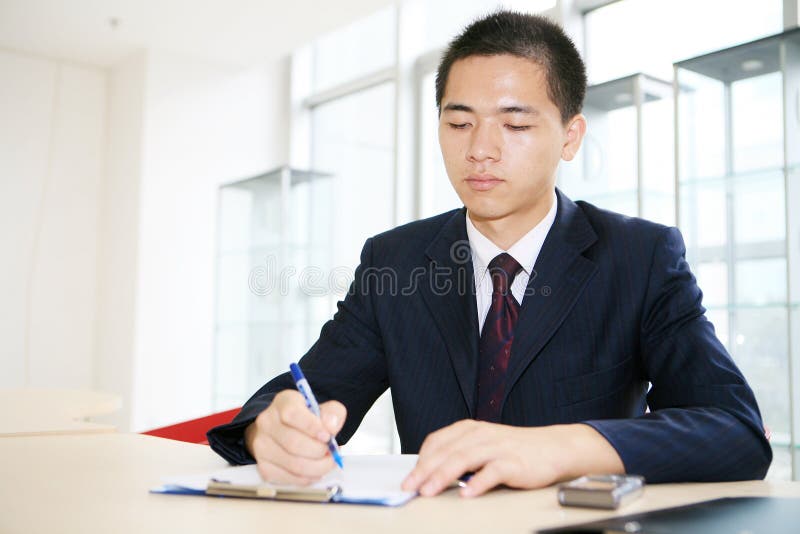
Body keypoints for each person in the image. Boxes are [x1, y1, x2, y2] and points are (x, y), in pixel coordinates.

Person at [208, 10, 771, 497]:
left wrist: (559, 449)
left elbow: (733, 428)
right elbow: (297, 398)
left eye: (515, 123)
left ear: (571, 137)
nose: (480, 149)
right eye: (459, 122)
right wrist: (272, 432)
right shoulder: (395, 261)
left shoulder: (639, 257)